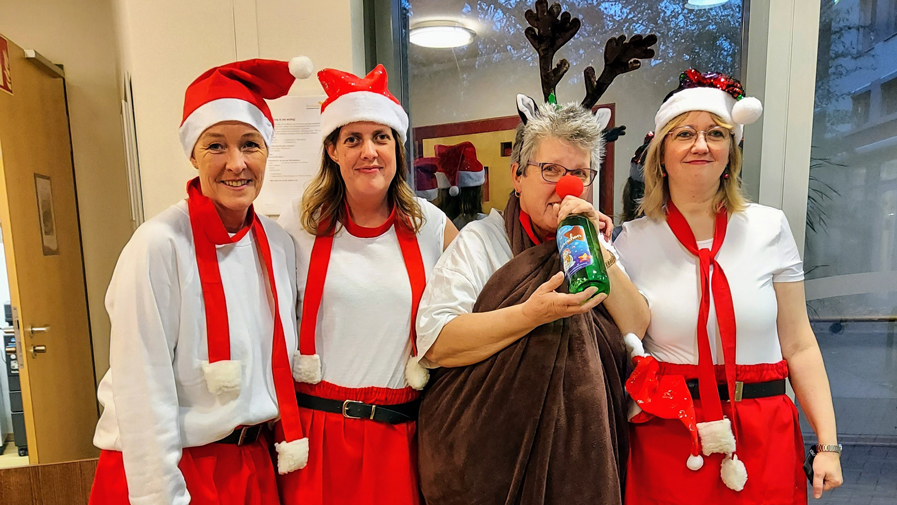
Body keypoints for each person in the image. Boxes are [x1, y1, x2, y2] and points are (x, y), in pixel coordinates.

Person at [89, 57, 315, 504]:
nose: (236, 164)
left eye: (250, 144)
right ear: (192, 154)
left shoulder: (277, 242)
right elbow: (141, 387)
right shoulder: (157, 245)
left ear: (269, 150)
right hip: (173, 469)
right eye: (216, 146)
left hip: (252, 465)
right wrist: (161, 495)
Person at [615, 69, 843, 503]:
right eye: (684, 133)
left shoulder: (769, 227)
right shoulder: (630, 242)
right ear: (660, 153)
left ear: (730, 153)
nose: (701, 144)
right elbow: (627, 340)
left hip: (764, 427)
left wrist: (828, 443)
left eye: (716, 133)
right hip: (671, 432)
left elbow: (799, 345)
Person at [414, 94, 651, 505]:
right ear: (518, 176)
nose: (567, 185)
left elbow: (636, 325)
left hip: (584, 461)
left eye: (580, 172)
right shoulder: (482, 242)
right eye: (551, 170)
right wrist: (529, 315)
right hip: (489, 463)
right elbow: (438, 342)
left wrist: (594, 247)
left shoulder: (597, 244)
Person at [276, 64, 457, 505]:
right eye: (353, 139)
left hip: (401, 437)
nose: (369, 151)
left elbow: (486, 288)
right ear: (333, 151)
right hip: (316, 437)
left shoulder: (430, 224)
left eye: (380, 137)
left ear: (396, 146)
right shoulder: (298, 225)